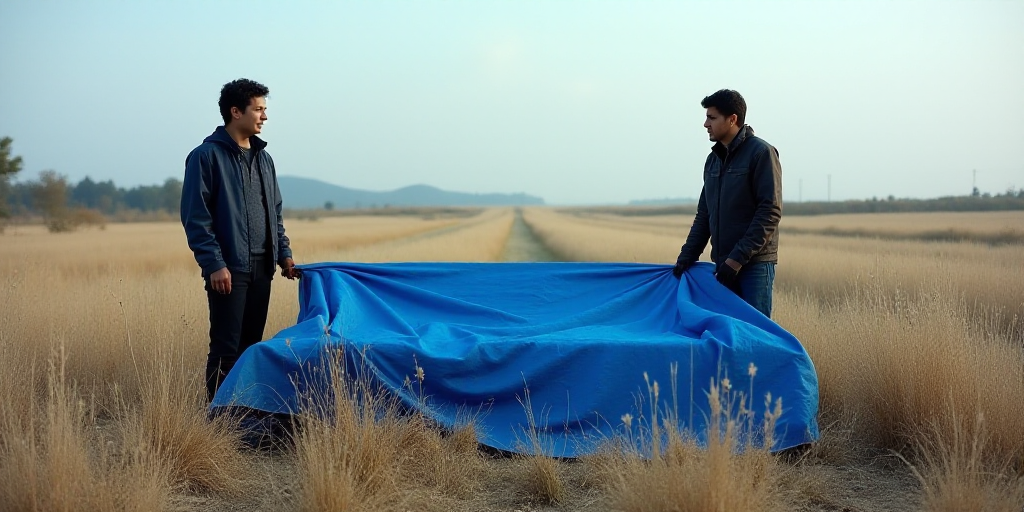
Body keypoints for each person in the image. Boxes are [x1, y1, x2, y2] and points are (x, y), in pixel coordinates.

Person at [181, 78, 299, 402]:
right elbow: (196, 218)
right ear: (236, 112)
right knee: (225, 347)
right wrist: (214, 264)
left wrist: (284, 254)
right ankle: (220, 422)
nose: (264, 116)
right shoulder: (205, 157)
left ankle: (245, 417)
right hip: (229, 269)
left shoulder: (265, 159)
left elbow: (275, 212)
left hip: (263, 268)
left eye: (264, 109)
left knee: (251, 347)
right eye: (258, 109)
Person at [672, 89, 782, 318]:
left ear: (732, 119)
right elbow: (704, 215)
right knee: (727, 333)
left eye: (711, 118)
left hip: (754, 266)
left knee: (755, 332)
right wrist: (685, 258)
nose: (705, 124)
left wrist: (736, 259)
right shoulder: (713, 160)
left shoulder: (761, 153)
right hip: (722, 267)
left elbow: (769, 212)